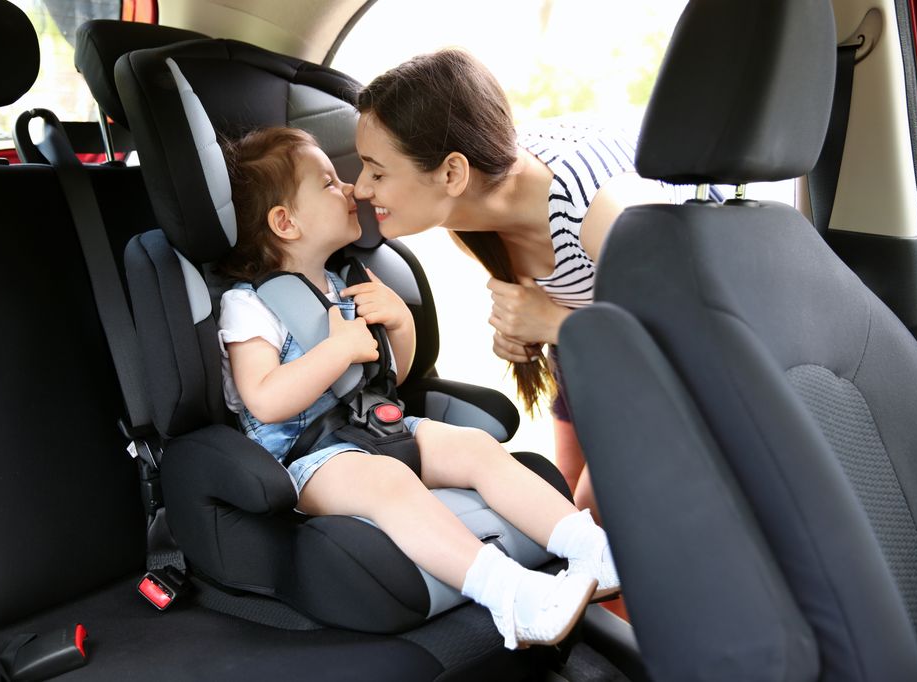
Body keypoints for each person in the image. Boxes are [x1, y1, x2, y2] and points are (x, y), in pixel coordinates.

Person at [215, 126, 619, 650]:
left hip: (380, 426)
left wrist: (400, 325)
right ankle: (510, 595)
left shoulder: (348, 284)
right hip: (310, 460)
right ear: (285, 222)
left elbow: (391, 378)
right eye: (330, 183)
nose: (352, 190)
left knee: (474, 447)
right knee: (388, 483)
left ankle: (590, 547)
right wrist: (337, 348)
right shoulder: (249, 305)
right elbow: (265, 400)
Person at [354, 48, 672, 518]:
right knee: (563, 490)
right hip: (600, 355)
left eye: (377, 172)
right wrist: (531, 323)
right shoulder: (469, 211)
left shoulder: (600, 211)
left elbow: (690, 341)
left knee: (591, 519)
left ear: (451, 172)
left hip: (671, 377)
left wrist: (555, 323)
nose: (360, 188)